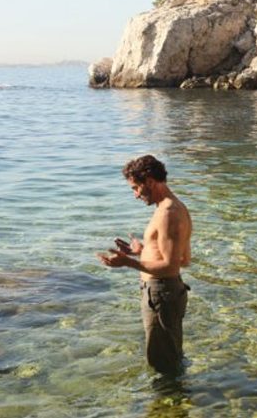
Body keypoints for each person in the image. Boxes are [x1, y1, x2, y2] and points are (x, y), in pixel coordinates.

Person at [97, 155, 192, 374]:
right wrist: (142, 252)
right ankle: (173, 401)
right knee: (169, 356)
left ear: (149, 181)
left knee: (161, 364)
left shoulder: (168, 214)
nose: (135, 195)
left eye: (136, 188)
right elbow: (183, 259)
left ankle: (168, 405)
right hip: (167, 293)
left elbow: (171, 267)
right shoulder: (176, 207)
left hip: (161, 295)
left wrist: (128, 262)